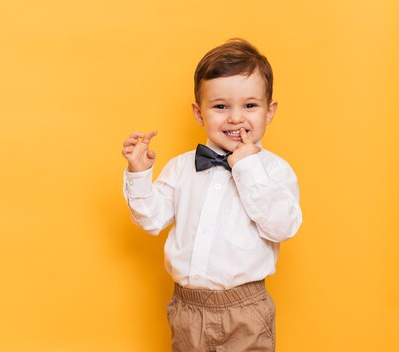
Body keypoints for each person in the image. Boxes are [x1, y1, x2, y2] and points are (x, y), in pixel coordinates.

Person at [121, 38, 302, 351]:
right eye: (220, 106)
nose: (235, 118)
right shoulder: (182, 168)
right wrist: (139, 173)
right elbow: (151, 220)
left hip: (246, 309)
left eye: (250, 105)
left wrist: (247, 167)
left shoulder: (274, 170)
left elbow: (282, 227)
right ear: (198, 112)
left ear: (269, 112)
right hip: (188, 309)